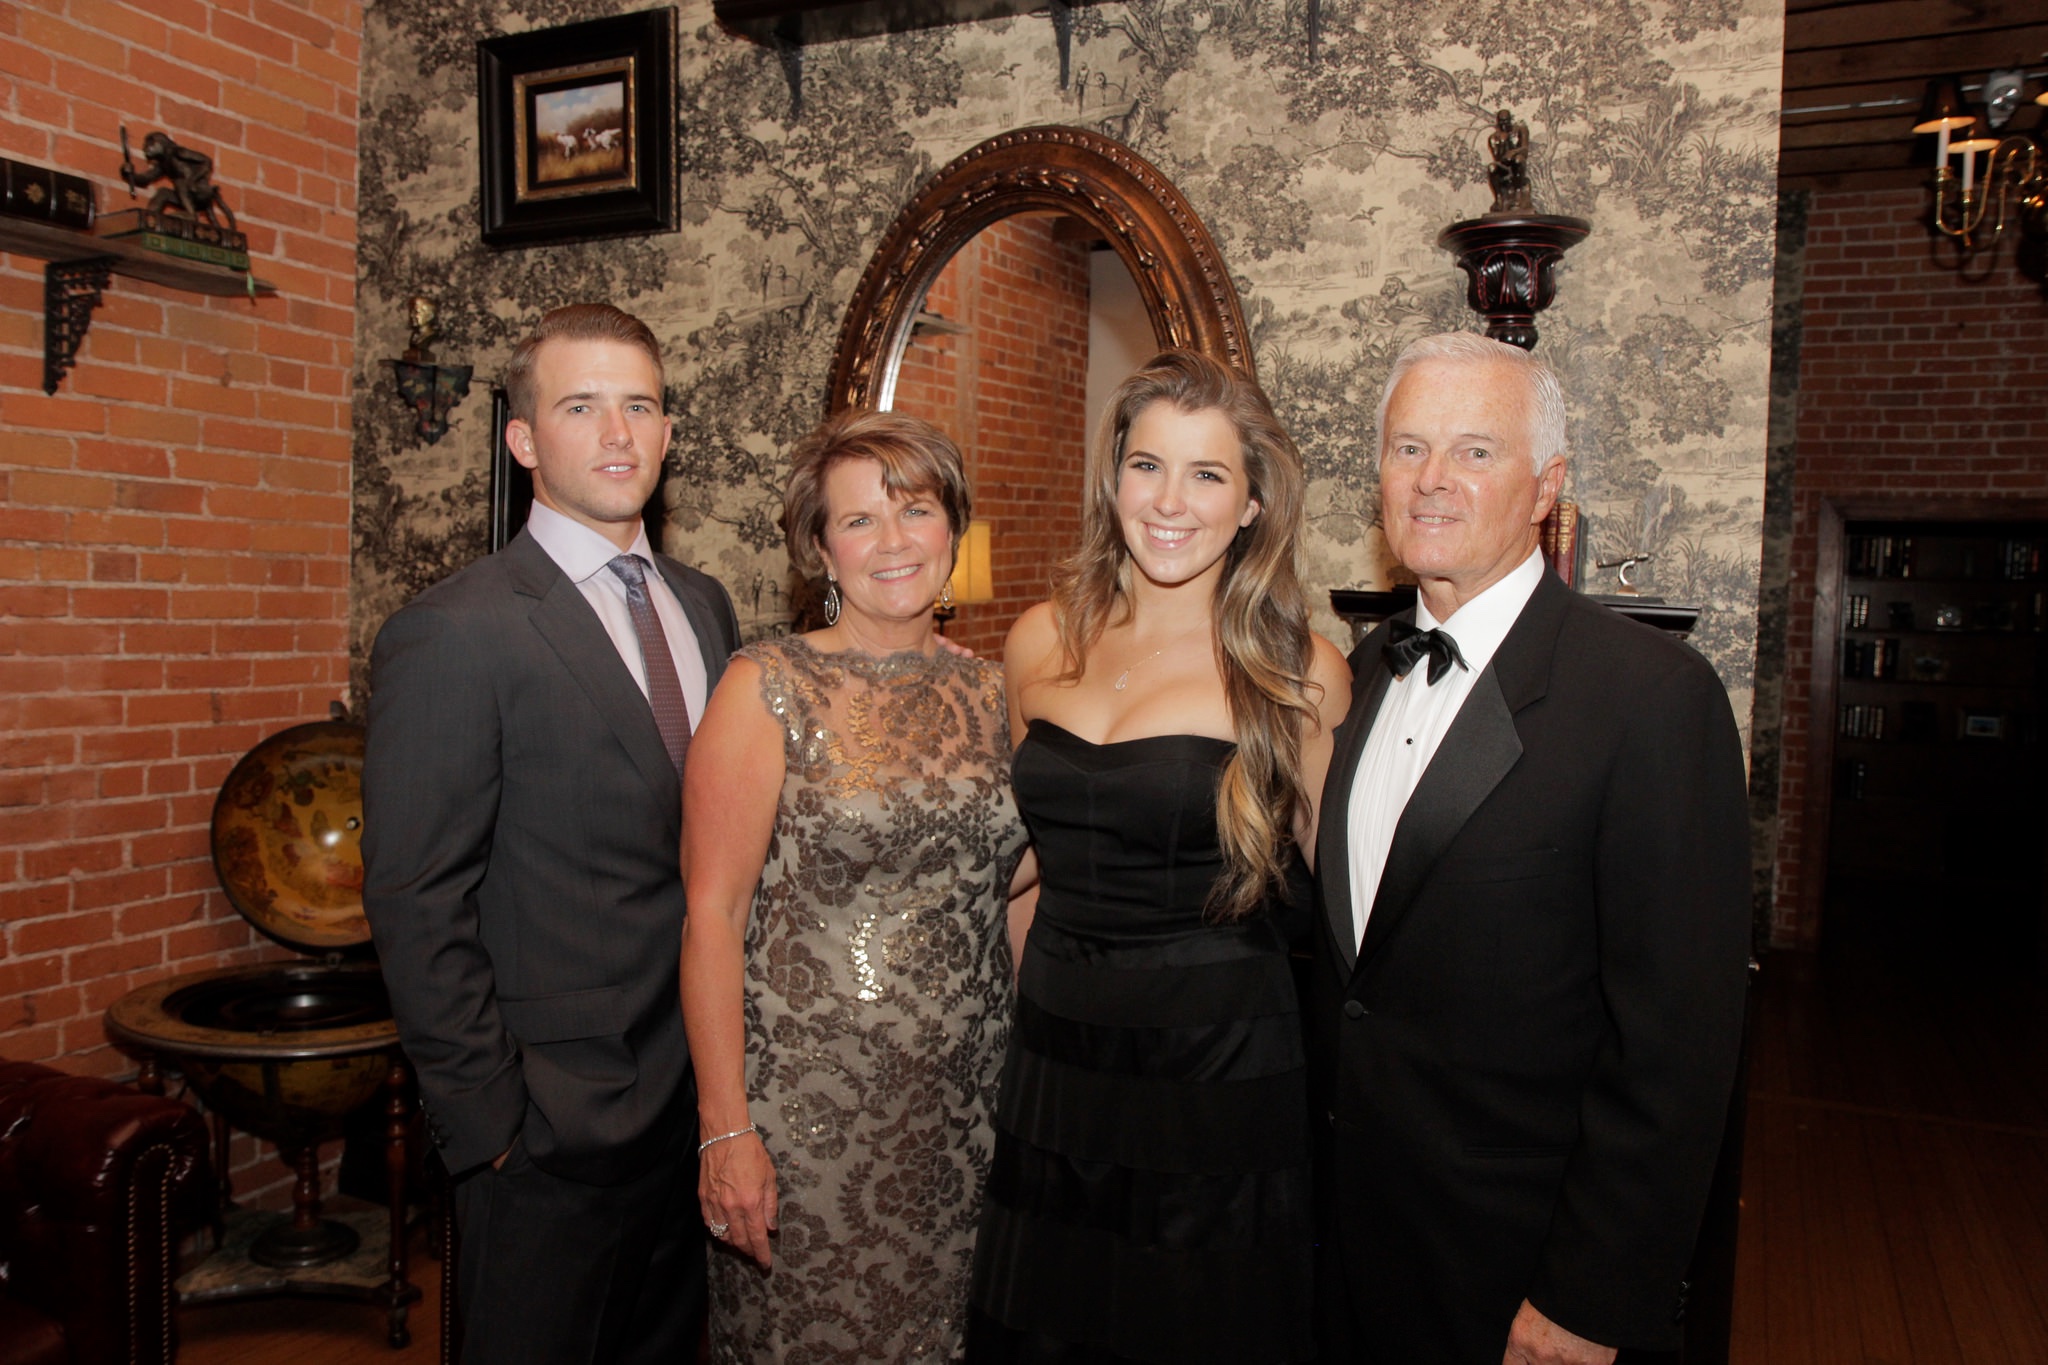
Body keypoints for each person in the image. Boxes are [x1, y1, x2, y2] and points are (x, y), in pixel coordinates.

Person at [1309, 332, 1751, 1364]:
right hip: (1346, 1243)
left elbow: (1676, 1046)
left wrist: (1591, 1296)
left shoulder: (1650, 697)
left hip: (1518, 1272)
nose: (1431, 479)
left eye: (1474, 451)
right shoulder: (1356, 675)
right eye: (1407, 448)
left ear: (1547, 487)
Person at [362, 304, 737, 1364]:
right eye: (582, 407)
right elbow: (414, 899)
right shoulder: (453, 631)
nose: (619, 434)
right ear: (524, 438)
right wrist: (492, 1127)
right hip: (549, 1134)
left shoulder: (705, 606)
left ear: (668, 432)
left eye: (640, 407)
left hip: (695, 1114)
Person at [968, 350, 1351, 1363]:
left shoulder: (1297, 670)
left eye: (1206, 473)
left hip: (1216, 1063)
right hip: (1058, 1051)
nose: (1169, 501)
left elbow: (1353, 903)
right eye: (1147, 465)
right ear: (1114, 479)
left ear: (1253, 505)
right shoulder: (1038, 639)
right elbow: (1035, 856)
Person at [680, 408, 1028, 1362]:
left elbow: (1017, 886)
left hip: (972, 1113)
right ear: (821, 549)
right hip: (810, 1123)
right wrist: (724, 1129)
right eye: (860, 520)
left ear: (952, 527)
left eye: (915, 510)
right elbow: (712, 915)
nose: (894, 540)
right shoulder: (765, 686)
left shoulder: (1000, 695)